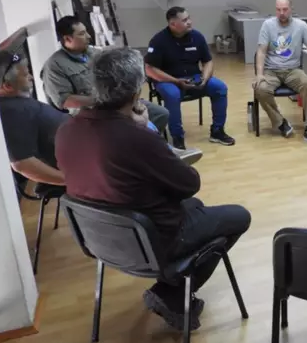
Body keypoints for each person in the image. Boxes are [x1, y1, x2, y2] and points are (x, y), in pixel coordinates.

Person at [55, 48, 251, 331]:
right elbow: (189, 183)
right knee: (239, 216)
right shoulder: (136, 137)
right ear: (137, 90)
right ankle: (172, 294)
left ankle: (173, 288)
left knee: (196, 207)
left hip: (101, 238)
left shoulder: (66, 130)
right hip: (150, 240)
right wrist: (147, 129)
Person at [42, 16, 169, 134]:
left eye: (86, 32)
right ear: (67, 39)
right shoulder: (54, 65)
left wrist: (131, 100)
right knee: (129, 125)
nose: (88, 36)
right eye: (82, 34)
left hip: (117, 102)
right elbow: (66, 101)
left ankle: (142, 141)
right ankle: (135, 143)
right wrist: (105, 100)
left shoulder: (95, 53)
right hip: (91, 112)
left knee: (160, 113)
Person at [145, 6, 235, 149]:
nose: (189, 22)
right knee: (173, 95)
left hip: (194, 77)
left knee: (220, 87)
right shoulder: (158, 41)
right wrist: (176, 81)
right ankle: (177, 137)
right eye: (185, 20)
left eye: (189, 18)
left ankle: (217, 131)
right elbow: (150, 69)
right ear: (173, 24)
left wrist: (205, 79)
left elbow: (208, 61)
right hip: (169, 80)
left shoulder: (197, 37)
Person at [254, 0, 307, 147]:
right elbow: (261, 51)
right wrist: (259, 74)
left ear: (291, 9)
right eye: (278, 10)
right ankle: (280, 122)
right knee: (260, 89)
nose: (281, 13)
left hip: (293, 70)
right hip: (271, 70)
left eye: (285, 9)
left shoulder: (301, 26)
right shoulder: (267, 25)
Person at [0, 50, 67, 186]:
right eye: (25, 75)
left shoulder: (17, 102)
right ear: (8, 86)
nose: (31, 77)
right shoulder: (9, 112)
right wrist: (71, 181)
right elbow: (23, 165)